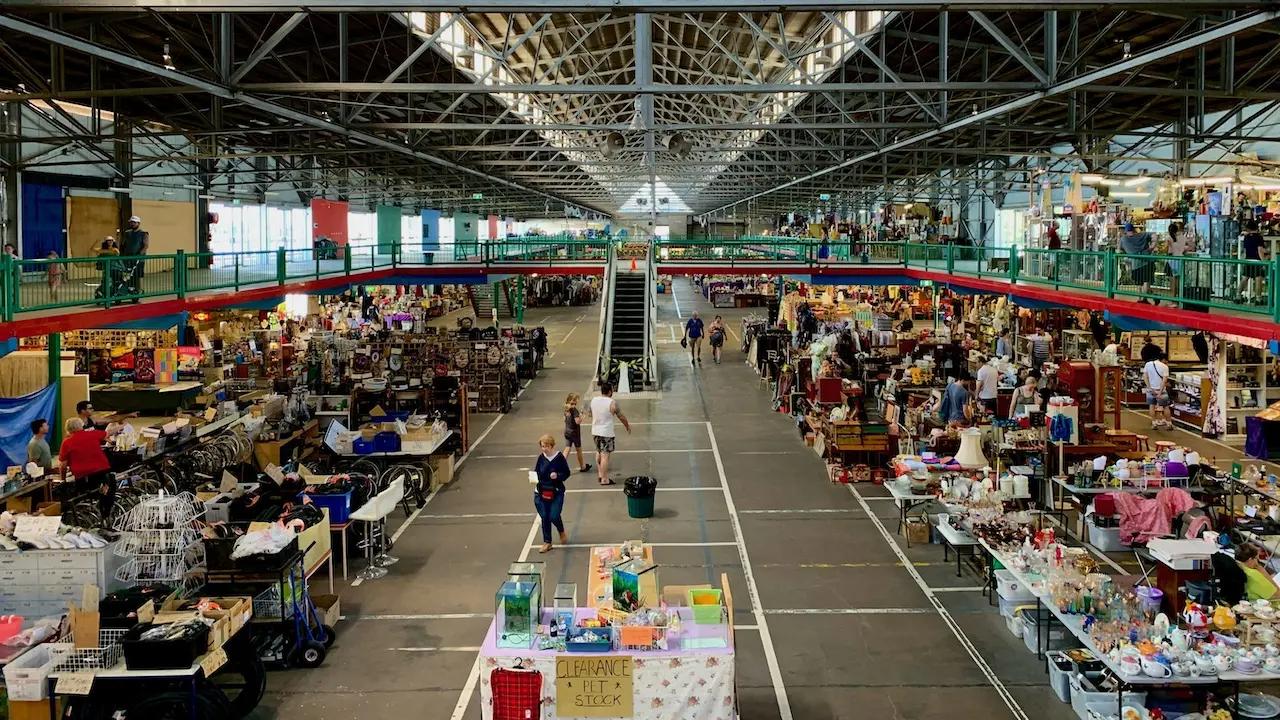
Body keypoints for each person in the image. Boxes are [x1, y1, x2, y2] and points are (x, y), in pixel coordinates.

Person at [59, 417, 121, 514]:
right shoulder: (92, 434)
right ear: (81, 426)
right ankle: (105, 511)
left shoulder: (66, 442)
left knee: (83, 495)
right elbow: (108, 432)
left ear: (68, 429)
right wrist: (121, 426)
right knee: (104, 491)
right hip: (102, 470)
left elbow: (63, 465)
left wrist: (62, 479)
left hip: (83, 476)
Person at [533, 434, 571, 554]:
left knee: (554, 515)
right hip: (542, 491)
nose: (544, 449)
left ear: (551, 446)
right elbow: (537, 472)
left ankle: (561, 530)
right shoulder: (541, 458)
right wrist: (533, 477)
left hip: (556, 491)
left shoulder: (559, 458)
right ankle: (547, 542)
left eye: (547, 446)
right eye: (543, 446)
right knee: (545, 516)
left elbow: (566, 473)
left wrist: (558, 476)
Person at [588, 382, 631, 486]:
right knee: (605, 456)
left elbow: (589, 413)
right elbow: (621, 416)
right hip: (606, 432)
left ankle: (600, 474)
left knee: (598, 451)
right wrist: (627, 426)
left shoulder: (593, 400)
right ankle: (604, 479)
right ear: (610, 391)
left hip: (595, 431)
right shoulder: (612, 403)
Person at [1119, 223, 1156, 303]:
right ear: (1134, 229)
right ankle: (1146, 299)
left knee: (1138, 282)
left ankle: (1139, 298)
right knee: (1146, 280)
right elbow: (1154, 235)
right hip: (1147, 260)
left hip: (1135, 263)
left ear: (1125, 230)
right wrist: (1152, 246)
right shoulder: (1142, 235)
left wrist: (1127, 252)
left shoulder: (1123, 239)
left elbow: (1119, 250)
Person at [1242, 221, 1270, 305]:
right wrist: (1264, 261)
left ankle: (1238, 296)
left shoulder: (1246, 237)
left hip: (1248, 260)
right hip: (1257, 261)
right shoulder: (1259, 238)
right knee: (1258, 279)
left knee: (1244, 279)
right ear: (1257, 227)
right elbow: (1260, 250)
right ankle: (1258, 299)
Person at [562, 393, 591, 473]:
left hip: (567, 431)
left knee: (567, 448)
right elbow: (577, 422)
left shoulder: (566, 409)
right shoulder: (574, 410)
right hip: (574, 433)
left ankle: (560, 466)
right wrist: (583, 416)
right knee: (578, 449)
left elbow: (564, 419)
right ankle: (582, 466)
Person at [1143, 350, 1172, 430]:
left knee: (1151, 406)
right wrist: (1160, 391)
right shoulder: (1165, 367)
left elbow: (1145, 377)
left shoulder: (1148, 364)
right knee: (1165, 406)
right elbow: (1164, 380)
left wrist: (1149, 388)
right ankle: (1169, 424)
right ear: (1163, 359)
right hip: (1161, 389)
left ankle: (1154, 423)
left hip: (1150, 389)